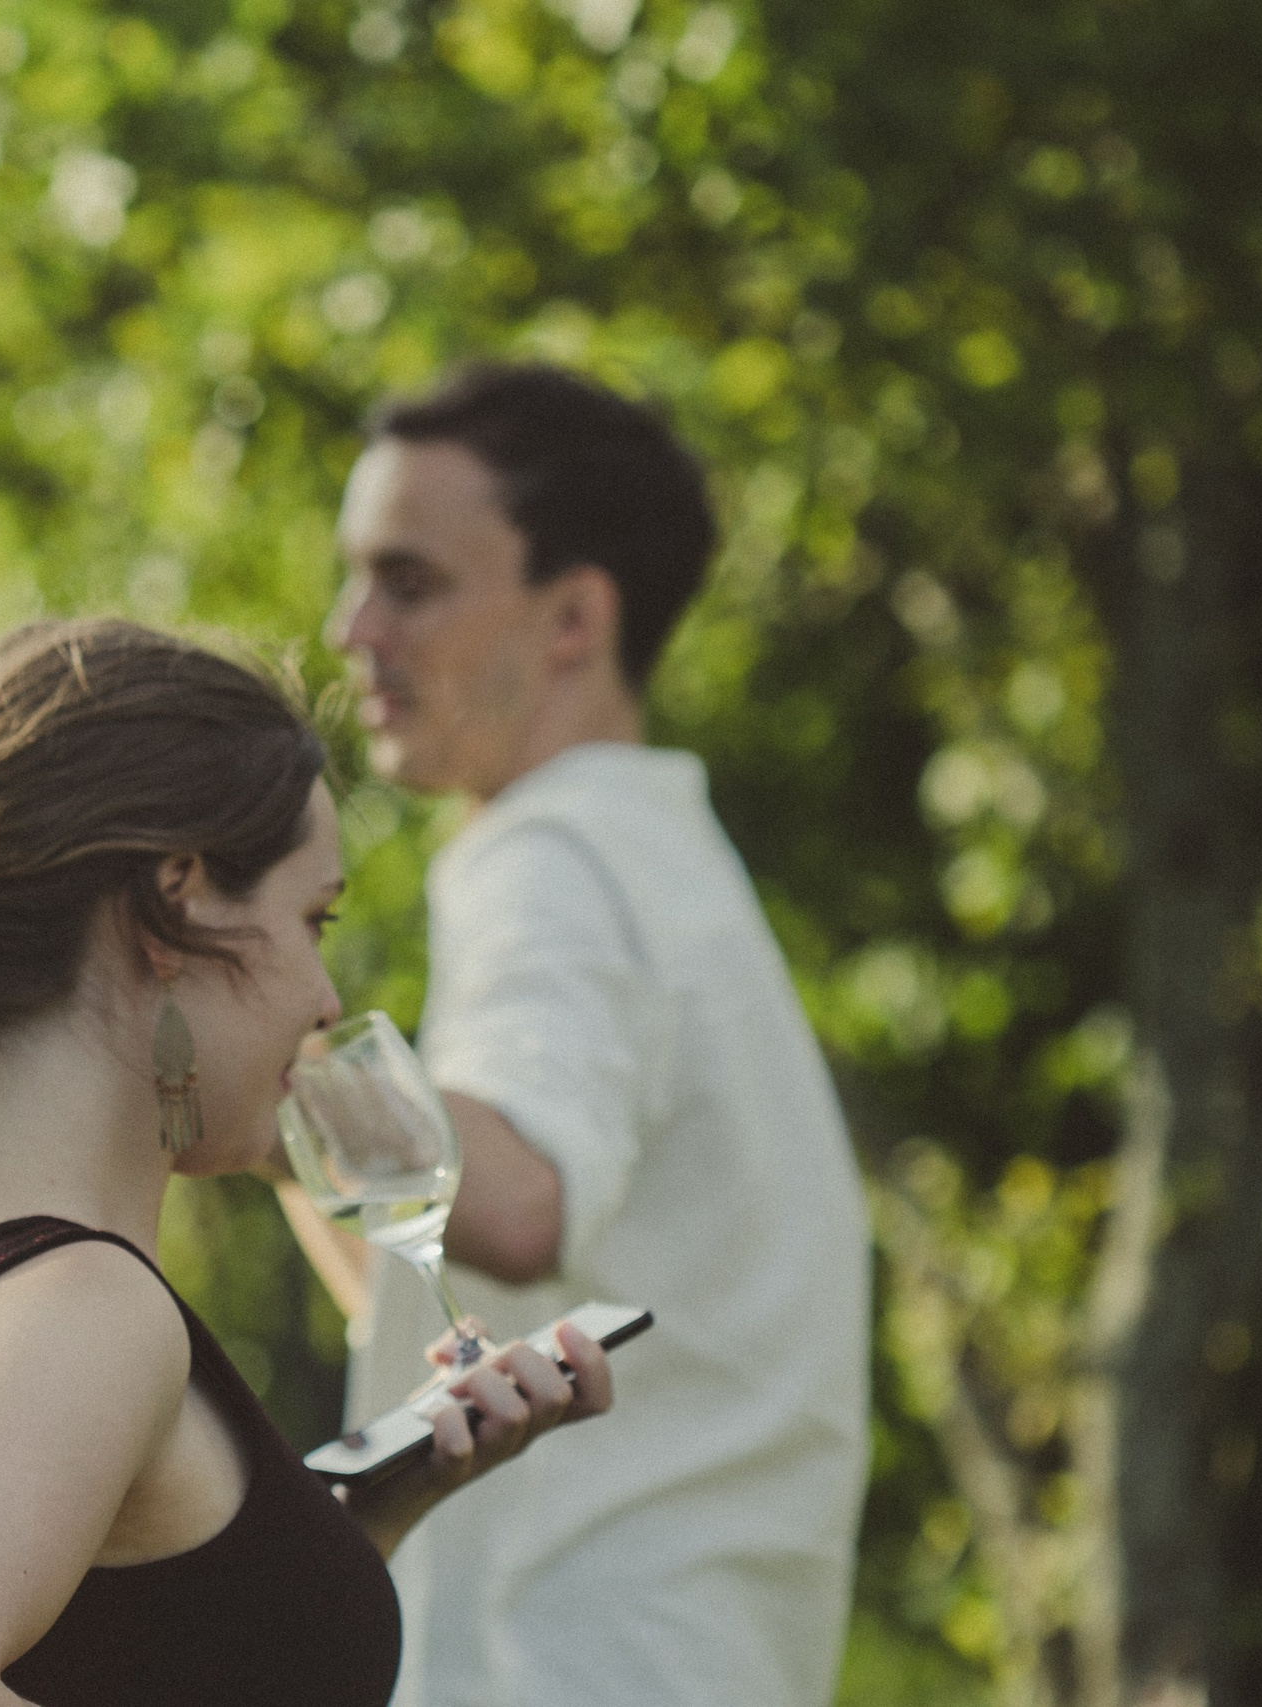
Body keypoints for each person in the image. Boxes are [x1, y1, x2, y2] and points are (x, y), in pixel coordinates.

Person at [0, 617, 616, 1707]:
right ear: (174, 904)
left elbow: (120, 1651)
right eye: (312, 919)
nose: (323, 999)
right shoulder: (82, 1309)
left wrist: (344, 1527)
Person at [307, 362, 872, 1706]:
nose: (348, 627)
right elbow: (456, 1272)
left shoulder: (559, 851)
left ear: (573, 615)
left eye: (410, 582)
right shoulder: (653, 851)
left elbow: (516, 1199)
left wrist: (250, 1058)